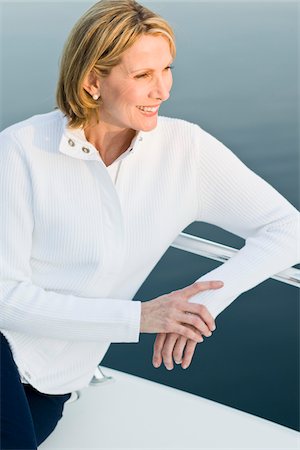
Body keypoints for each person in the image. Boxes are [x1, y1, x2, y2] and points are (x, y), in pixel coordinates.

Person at [0, 0, 298, 448]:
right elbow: (5, 299)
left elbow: (287, 228)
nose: (162, 90)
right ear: (91, 82)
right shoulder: (21, 151)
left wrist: (200, 305)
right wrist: (139, 317)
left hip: (56, 379)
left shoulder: (185, 150)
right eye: (142, 76)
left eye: (167, 70)